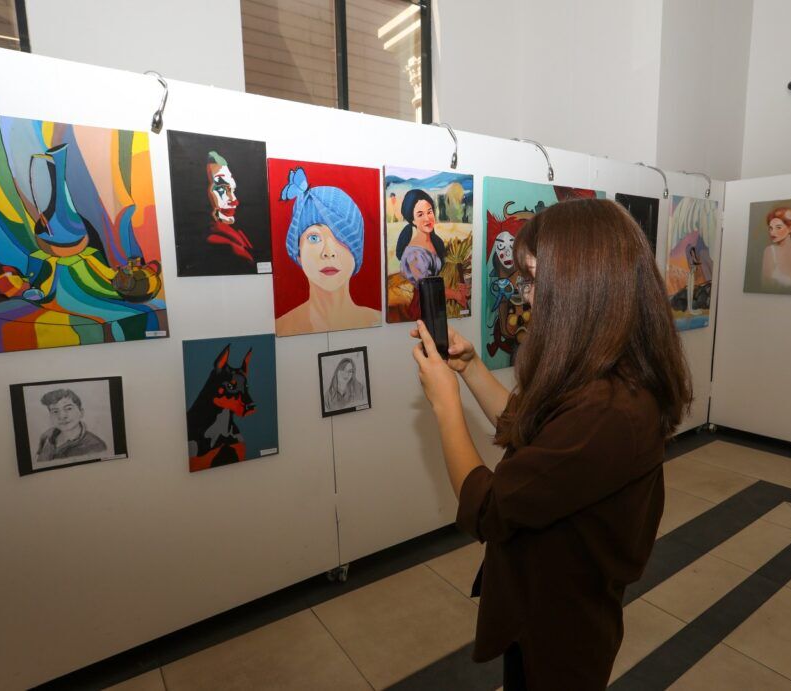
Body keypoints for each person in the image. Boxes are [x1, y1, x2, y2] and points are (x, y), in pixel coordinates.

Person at [411, 198, 692, 690]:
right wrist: (470, 369)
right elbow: (528, 428)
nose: (528, 296)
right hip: (545, 604)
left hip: (562, 630)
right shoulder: (606, 377)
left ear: (583, 286)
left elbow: (489, 509)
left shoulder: (609, 410)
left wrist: (445, 405)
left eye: (536, 280)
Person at [275, 167, 380, 335]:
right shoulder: (283, 326)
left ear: (357, 252)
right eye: (314, 238)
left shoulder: (376, 320)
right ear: (298, 253)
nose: (328, 252)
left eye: (341, 237)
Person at [395, 189, 468, 318]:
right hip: (424, 309)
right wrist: (456, 295)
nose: (427, 218)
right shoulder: (414, 254)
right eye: (420, 214)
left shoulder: (436, 242)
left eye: (429, 212)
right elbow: (428, 288)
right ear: (412, 220)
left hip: (440, 305)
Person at [205, 150, 255, 266]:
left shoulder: (237, 234)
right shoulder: (221, 244)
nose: (234, 201)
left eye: (233, 190)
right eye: (221, 189)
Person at [35, 388, 107, 463]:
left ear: (81, 412)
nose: (62, 416)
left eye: (68, 408)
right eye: (55, 411)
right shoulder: (47, 435)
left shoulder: (95, 446)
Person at [761, 206, 791, 289]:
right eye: (771, 228)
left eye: (778, 228)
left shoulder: (770, 251)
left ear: (790, 229)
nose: (772, 233)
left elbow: (765, 286)